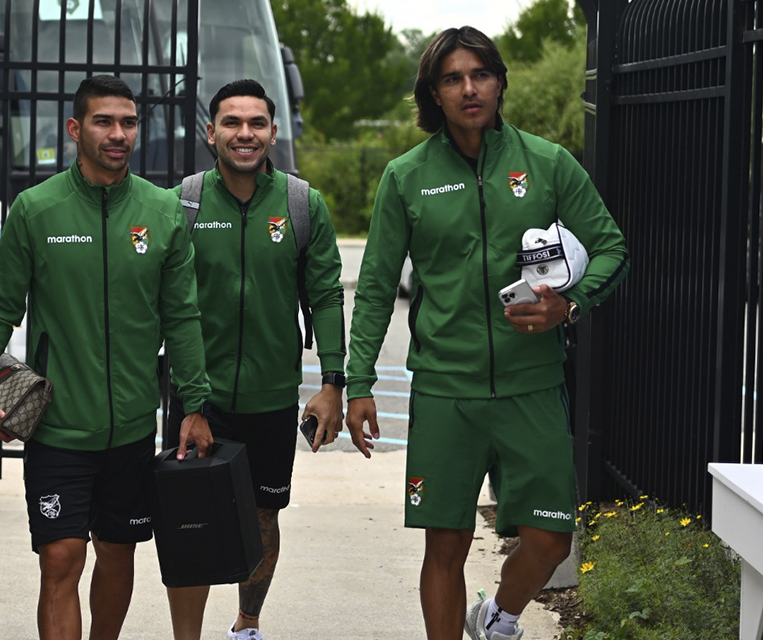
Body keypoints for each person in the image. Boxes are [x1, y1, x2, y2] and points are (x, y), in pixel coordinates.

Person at [344, 26, 629, 640]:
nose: (468, 88)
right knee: (444, 544)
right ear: (434, 93)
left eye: (480, 74)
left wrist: (568, 305)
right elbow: (374, 287)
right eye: (452, 78)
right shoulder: (405, 176)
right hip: (447, 390)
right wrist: (358, 383)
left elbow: (611, 248)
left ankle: (498, 615)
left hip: (532, 383)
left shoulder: (548, 163)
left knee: (551, 538)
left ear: (500, 82)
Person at [0, 74, 212, 640]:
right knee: (60, 559)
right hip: (58, 429)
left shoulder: (163, 211)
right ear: (76, 129)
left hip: (129, 431)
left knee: (117, 555)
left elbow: (183, 317)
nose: (118, 133)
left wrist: (194, 404)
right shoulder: (35, 210)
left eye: (127, 122)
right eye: (104, 121)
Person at [164, 78, 346, 640]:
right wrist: (186, 397)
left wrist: (332, 383)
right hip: (200, 398)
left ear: (272, 131)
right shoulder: (184, 204)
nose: (245, 134)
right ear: (211, 132)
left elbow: (328, 295)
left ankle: (247, 626)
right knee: (189, 520)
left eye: (257, 123)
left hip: (270, 397)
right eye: (232, 123)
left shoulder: (300, 203)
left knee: (264, 518)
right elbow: (162, 303)